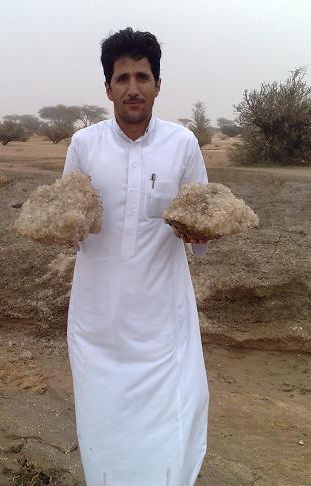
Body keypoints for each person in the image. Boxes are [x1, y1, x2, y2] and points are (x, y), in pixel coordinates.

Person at [62, 27, 215, 486]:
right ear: (108, 87)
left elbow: (201, 230)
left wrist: (206, 229)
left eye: (142, 77)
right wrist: (52, 226)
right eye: (122, 78)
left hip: (163, 324)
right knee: (103, 425)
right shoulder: (83, 146)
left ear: (158, 85)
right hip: (98, 321)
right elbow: (68, 222)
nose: (133, 88)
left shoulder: (182, 145)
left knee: (172, 424)